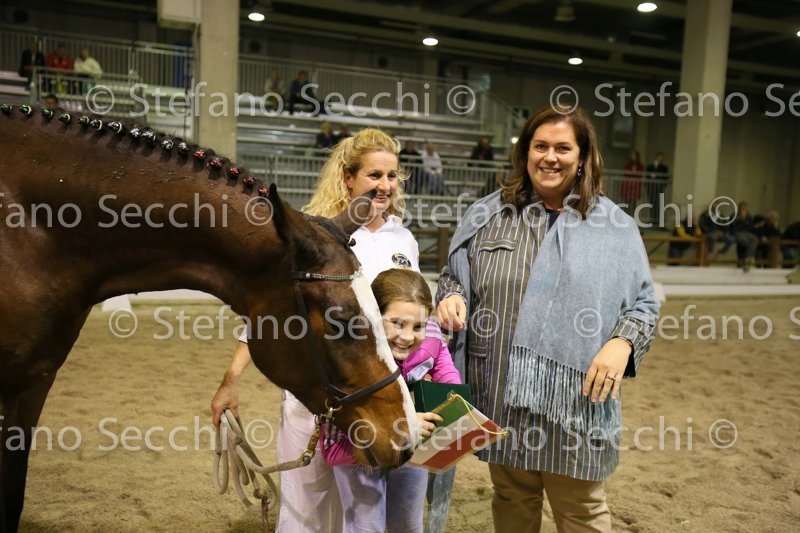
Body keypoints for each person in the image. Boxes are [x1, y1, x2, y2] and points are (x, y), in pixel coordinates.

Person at [436, 105, 659, 532]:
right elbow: (454, 276)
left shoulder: (614, 226)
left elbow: (644, 304)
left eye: (562, 148)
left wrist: (623, 342)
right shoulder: (488, 215)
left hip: (575, 400)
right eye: (540, 146)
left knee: (580, 510)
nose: (550, 157)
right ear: (525, 152)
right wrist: (451, 296)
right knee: (511, 497)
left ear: (583, 157)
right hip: (497, 388)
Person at [211, 128, 420, 532]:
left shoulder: (404, 239)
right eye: (374, 175)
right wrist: (230, 380)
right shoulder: (315, 237)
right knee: (303, 510)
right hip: (312, 394)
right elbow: (271, 315)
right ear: (348, 178)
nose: (385, 185)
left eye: (392, 176)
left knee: (357, 512)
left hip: (367, 395)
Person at [321, 268, 461, 532]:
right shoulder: (347, 357)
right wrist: (400, 426)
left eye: (418, 326)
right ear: (373, 316)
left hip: (410, 444)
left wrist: (460, 416)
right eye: (397, 323)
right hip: (360, 451)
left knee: (407, 524)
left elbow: (451, 387)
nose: (407, 336)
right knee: (366, 527)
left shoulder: (431, 337)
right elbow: (333, 450)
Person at [731, 201, 759, 272]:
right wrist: (742, 221)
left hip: (747, 233)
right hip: (738, 232)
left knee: (755, 239)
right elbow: (734, 227)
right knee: (745, 242)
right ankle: (746, 259)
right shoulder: (734, 216)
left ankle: (749, 257)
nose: (743, 209)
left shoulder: (749, 216)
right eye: (742, 208)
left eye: (744, 208)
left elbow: (750, 227)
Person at [646, 152, 669, 223]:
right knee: (652, 203)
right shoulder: (650, 167)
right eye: (659, 158)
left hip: (659, 188)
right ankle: (652, 219)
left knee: (658, 204)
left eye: (661, 158)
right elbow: (647, 176)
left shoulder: (664, 167)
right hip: (652, 187)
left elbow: (665, 177)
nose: (660, 160)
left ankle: (657, 220)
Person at [620, 149, 644, 214]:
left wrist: (632, 174)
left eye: (634, 155)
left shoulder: (640, 166)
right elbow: (625, 172)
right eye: (632, 155)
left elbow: (640, 174)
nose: (633, 157)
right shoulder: (628, 164)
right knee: (626, 203)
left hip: (635, 187)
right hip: (627, 187)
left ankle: (631, 217)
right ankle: (625, 216)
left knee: (633, 203)